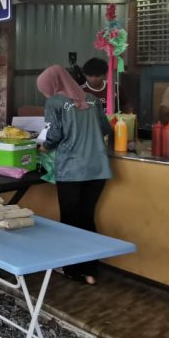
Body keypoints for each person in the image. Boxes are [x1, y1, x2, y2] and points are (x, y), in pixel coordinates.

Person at [37, 65, 113, 285]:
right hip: (98, 169)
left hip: (71, 169)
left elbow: (54, 135)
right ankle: (91, 272)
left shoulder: (54, 103)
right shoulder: (91, 99)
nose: (45, 94)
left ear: (52, 85)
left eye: (45, 89)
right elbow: (105, 128)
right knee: (87, 218)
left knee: (70, 221)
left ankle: (72, 269)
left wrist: (43, 147)